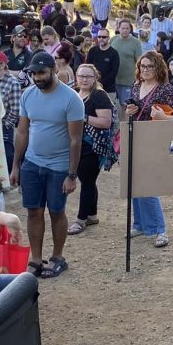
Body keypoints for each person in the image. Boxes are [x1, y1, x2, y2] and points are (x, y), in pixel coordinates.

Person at [10, 51, 85, 278]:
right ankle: (35, 258)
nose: (37, 77)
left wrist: (71, 175)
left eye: (41, 73)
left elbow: (76, 140)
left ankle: (57, 257)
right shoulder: (28, 95)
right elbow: (22, 131)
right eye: (34, 73)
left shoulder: (71, 99)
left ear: (53, 70)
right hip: (32, 163)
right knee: (33, 211)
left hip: (59, 165)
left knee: (56, 210)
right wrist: (16, 165)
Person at [123, 52, 173, 248]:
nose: (145, 70)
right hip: (135, 138)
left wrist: (163, 117)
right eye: (142, 66)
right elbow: (131, 113)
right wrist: (129, 112)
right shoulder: (136, 86)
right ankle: (139, 224)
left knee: (149, 185)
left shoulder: (166, 89)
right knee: (134, 183)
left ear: (158, 68)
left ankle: (160, 229)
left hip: (155, 141)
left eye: (149, 66)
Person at [67, 63, 115, 236]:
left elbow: (105, 122)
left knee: (86, 181)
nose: (84, 79)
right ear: (76, 77)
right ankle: (92, 215)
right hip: (79, 144)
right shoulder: (75, 93)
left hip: (94, 146)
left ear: (95, 78)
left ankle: (80, 220)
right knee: (89, 181)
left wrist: (84, 117)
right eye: (81, 76)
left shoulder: (99, 95)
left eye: (88, 76)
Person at [0, 51, 24, 171]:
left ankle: (9, 182)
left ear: (2, 65)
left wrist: (4, 126)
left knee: (6, 157)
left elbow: (15, 110)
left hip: (3, 127)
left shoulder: (13, 83)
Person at [111, 18, 142, 109]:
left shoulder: (136, 42)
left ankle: (125, 123)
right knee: (112, 106)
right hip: (113, 80)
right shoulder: (113, 39)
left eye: (127, 28)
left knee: (125, 106)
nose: (125, 30)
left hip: (128, 81)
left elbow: (139, 61)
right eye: (123, 28)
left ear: (130, 29)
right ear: (119, 28)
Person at [86, 28, 120, 96]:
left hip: (108, 90)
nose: (101, 39)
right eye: (99, 36)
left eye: (104, 37)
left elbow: (114, 72)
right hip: (92, 87)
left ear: (108, 38)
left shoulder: (114, 53)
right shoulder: (92, 50)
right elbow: (87, 67)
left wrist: (100, 83)